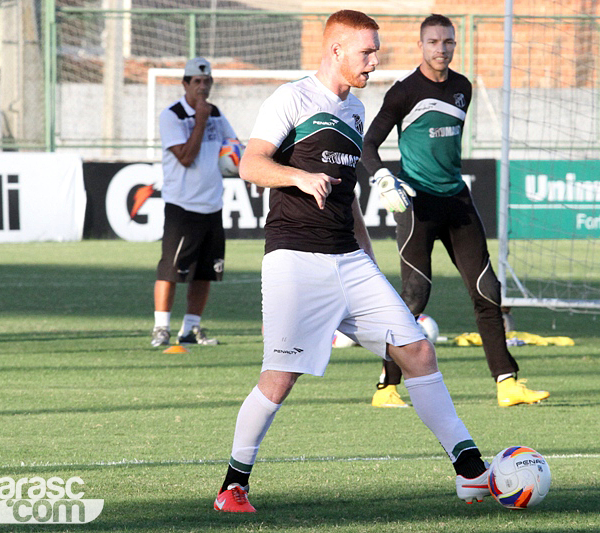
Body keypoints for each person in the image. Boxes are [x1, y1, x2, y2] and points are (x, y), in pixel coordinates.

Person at [213, 10, 489, 513]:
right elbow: (251, 163)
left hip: (350, 260)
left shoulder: (358, 110)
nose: (375, 61)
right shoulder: (292, 98)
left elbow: (349, 198)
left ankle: (471, 473)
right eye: (366, 52)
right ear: (335, 50)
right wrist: (297, 178)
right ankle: (233, 485)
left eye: (376, 51)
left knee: (419, 351)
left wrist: (366, 257)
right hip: (295, 260)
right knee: (279, 379)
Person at [362, 14, 550, 408]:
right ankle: (387, 387)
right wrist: (382, 178)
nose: (441, 49)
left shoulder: (463, 87)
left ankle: (506, 383)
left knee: (488, 290)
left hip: (457, 201)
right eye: (433, 41)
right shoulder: (403, 92)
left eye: (448, 41)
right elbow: (368, 145)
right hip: (418, 204)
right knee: (414, 296)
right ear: (421, 45)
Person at [150, 57, 239, 347]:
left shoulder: (216, 113)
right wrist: (199, 121)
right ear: (185, 84)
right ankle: (161, 327)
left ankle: (191, 328)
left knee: (205, 273)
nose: (202, 86)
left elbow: (234, 148)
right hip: (183, 206)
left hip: (212, 205)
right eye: (197, 81)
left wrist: (251, 174)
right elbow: (186, 158)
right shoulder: (172, 115)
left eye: (207, 81)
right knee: (171, 270)